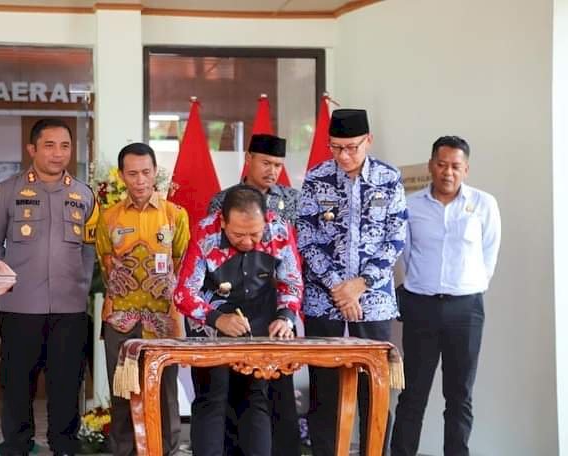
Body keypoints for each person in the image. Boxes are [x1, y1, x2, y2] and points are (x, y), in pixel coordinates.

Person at [0, 118, 98, 456]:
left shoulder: (84, 194)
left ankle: (64, 447)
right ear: (32, 149)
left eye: (64, 146)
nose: (58, 153)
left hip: (70, 310)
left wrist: (79, 289)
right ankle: (17, 447)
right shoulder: (6, 192)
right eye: (49, 145)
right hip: (19, 309)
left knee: (66, 387)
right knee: (17, 387)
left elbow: (88, 251)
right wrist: (2, 292)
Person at [296, 108, 408, 456]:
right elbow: (306, 238)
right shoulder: (316, 178)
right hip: (323, 303)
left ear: (368, 141)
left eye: (351, 147)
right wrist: (338, 288)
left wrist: (360, 284)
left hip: (372, 304)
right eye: (335, 147)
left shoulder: (389, 179)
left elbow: (396, 238)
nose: (343, 155)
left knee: (373, 391)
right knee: (324, 392)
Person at [391, 136, 501, 456]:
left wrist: (466, 286)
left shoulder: (484, 204)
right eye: (441, 165)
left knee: (459, 396)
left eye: (455, 166)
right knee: (413, 395)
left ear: (466, 169)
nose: (447, 172)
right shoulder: (410, 206)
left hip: (466, 310)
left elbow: (488, 255)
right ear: (430, 166)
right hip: (421, 307)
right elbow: (405, 256)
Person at [175, 184, 303, 456]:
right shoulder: (204, 232)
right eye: (238, 234)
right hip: (211, 321)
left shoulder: (279, 230)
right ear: (222, 221)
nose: (247, 242)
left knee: (255, 397)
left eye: (255, 234)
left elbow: (291, 282)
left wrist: (285, 317)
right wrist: (217, 319)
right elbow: (184, 292)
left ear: (266, 219)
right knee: (212, 398)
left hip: (258, 318)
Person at [208, 133, 301, 456]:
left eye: (278, 165)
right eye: (266, 163)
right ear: (248, 159)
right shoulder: (223, 201)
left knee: (279, 391)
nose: (272, 171)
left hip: (278, 309)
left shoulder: (291, 200)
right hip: (236, 309)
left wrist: (287, 310)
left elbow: (294, 256)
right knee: (238, 390)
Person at [95, 142, 189, 456]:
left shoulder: (175, 215)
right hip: (121, 320)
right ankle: (124, 451)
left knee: (165, 394)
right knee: (123, 395)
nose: (139, 180)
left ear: (155, 173)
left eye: (145, 172)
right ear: (121, 176)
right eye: (132, 174)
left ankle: (167, 450)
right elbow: (105, 265)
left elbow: (182, 264)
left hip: (163, 320)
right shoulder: (108, 217)